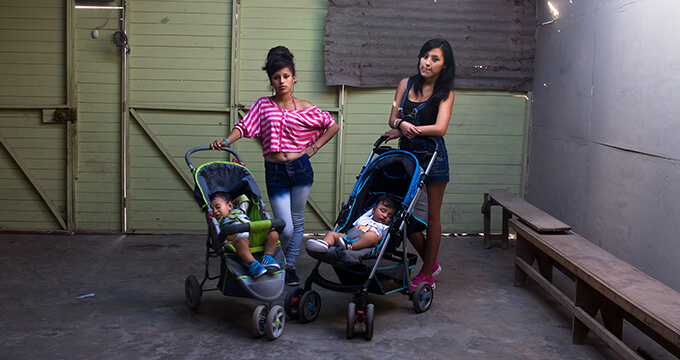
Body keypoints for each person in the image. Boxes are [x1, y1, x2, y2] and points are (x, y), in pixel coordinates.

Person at [211, 46, 339, 286]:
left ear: (294, 77)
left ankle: (289, 266)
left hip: (300, 169)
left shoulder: (305, 108)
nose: (282, 81)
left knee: (298, 221)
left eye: (286, 76)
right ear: (271, 80)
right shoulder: (262, 105)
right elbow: (244, 126)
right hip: (275, 172)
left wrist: (314, 148)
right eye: (276, 77)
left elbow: (332, 125)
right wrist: (227, 140)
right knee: (286, 228)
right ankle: (272, 258)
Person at [382, 38, 455, 290]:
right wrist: (399, 126)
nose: (427, 62)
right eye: (426, 56)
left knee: (433, 217)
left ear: (443, 67)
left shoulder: (445, 94)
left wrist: (408, 128)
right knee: (401, 212)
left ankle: (426, 273)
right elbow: (393, 117)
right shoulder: (406, 84)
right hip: (408, 156)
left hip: (434, 156)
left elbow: (440, 128)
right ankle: (431, 261)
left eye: (435, 59)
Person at [209, 191, 280, 278]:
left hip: (254, 234)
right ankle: (253, 264)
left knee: (273, 234)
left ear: (230, 206)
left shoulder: (239, 210)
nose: (215, 211)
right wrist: (226, 241)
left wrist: (232, 203)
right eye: (212, 210)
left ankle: (267, 257)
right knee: (240, 242)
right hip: (240, 239)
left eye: (218, 207)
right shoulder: (220, 222)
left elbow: (243, 197)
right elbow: (220, 236)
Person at [306, 195, 398, 253]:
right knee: (332, 234)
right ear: (373, 210)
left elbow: (383, 238)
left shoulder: (384, 226)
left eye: (390, 216)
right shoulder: (366, 217)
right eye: (382, 211)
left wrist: (377, 237)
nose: (385, 216)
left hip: (367, 241)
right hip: (349, 236)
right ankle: (324, 244)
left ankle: (352, 247)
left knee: (371, 236)